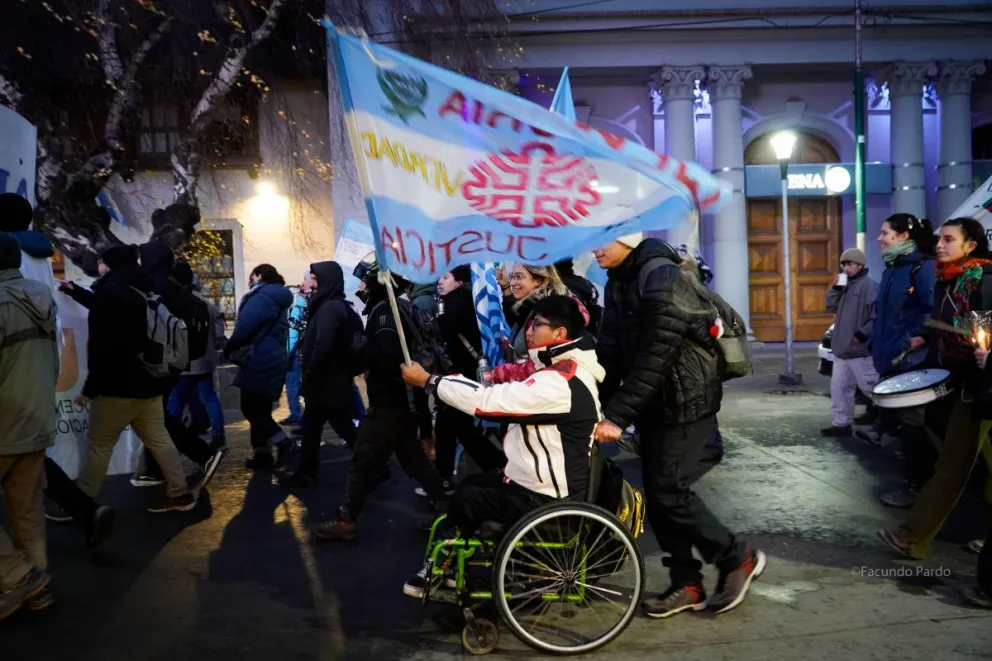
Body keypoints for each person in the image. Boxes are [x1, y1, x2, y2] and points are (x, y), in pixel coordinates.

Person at [593, 233, 764, 618]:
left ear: (627, 241)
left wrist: (617, 417)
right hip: (656, 403)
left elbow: (656, 357)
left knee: (670, 490)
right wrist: (594, 403)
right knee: (659, 495)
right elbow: (613, 350)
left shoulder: (661, 277)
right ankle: (686, 582)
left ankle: (737, 558)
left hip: (687, 402)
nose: (595, 249)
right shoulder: (619, 280)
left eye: (603, 241)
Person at [399, 295, 604, 598]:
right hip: (543, 481)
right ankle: (449, 569)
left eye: (537, 325)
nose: (529, 331)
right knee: (470, 485)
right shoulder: (563, 369)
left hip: (547, 497)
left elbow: (489, 403)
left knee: (469, 498)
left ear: (560, 334)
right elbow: (505, 390)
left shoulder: (560, 382)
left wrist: (430, 381)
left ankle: (441, 569)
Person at [309, 260, 451, 542]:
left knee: (363, 460)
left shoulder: (386, 314)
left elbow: (388, 358)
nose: (361, 288)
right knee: (414, 461)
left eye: (365, 282)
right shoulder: (393, 310)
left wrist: (360, 349)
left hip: (389, 404)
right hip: (400, 404)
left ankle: (346, 519)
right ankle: (447, 511)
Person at [877, 217, 992, 560]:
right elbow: (951, 325)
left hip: (984, 386)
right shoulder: (946, 280)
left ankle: (913, 538)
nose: (939, 245)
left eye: (948, 239)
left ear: (970, 246)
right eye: (939, 239)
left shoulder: (984, 281)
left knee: (953, 467)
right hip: (966, 384)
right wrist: (926, 336)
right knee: (959, 465)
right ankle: (914, 538)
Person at [74, 239, 197, 513]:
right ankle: (180, 494)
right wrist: (76, 293)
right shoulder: (143, 287)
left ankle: (80, 505)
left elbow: (102, 347)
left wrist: (90, 387)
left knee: (100, 445)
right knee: (159, 438)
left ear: (111, 264)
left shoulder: (110, 293)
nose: (99, 268)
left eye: (102, 263)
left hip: (117, 386)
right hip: (150, 380)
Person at [0, 232, 59, 619]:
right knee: (27, 511)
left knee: (25, 511)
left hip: (4, 420)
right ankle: (37, 587)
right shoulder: (40, 295)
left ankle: (18, 576)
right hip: (37, 417)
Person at [133, 242, 225, 489]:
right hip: (176, 362)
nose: (138, 262)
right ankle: (158, 468)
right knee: (158, 416)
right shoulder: (176, 287)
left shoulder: (151, 285)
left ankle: (199, 456)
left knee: (158, 417)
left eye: (141, 257)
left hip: (153, 363)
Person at [868, 214, 939, 508]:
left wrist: (917, 336)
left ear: (904, 236)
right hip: (891, 358)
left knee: (914, 426)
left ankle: (919, 487)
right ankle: (921, 479)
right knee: (896, 422)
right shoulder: (891, 270)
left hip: (912, 360)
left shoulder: (923, 268)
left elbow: (932, 309)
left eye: (885, 233)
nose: (879, 238)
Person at [278, 261, 363, 488]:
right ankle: (306, 472)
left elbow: (322, 346)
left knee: (339, 427)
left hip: (327, 382)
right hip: (331, 382)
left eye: (315, 279)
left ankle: (374, 467)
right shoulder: (334, 306)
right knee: (313, 427)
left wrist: (311, 375)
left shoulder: (330, 308)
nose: (311, 283)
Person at [431, 265, 506, 488]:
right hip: (465, 370)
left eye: (445, 277)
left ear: (459, 281)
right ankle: (498, 466)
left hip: (459, 372)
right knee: (459, 428)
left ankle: (443, 479)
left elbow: (446, 327)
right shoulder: (469, 299)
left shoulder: (458, 300)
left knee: (450, 425)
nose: (440, 282)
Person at [224, 264, 295, 470]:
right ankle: (262, 454)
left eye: (252, 275)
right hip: (271, 356)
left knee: (251, 408)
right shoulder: (277, 297)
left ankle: (284, 443)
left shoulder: (263, 297)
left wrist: (231, 347)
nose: (250, 280)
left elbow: (246, 326)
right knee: (260, 408)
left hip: (259, 357)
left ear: (259, 275)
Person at [167, 263, 226, 449]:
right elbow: (218, 328)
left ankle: (171, 435)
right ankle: (219, 434)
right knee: (209, 396)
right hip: (205, 359)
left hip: (185, 361)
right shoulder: (206, 304)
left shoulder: (177, 301)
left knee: (176, 398)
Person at [822, 248, 879, 437]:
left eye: (850, 264)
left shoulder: (870, 286)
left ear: (860, 265)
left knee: (871, 388)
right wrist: (835, 289)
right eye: (844, 264)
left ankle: (887, 422)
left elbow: (876, 316)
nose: (847, 268)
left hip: (860, 350)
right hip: (841, 350)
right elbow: (829, 305)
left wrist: (863, 334)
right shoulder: (844, 286)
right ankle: (841, 423)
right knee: (839, 389)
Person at [283, 273, 314, 428]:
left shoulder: (298, 304)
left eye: (307, 280)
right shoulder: (306, 302)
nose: (302, 283)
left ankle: (297, 415)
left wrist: (287, 353)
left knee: (293, 384)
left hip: (295, 351)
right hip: (302, 350)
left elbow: (293, 333)